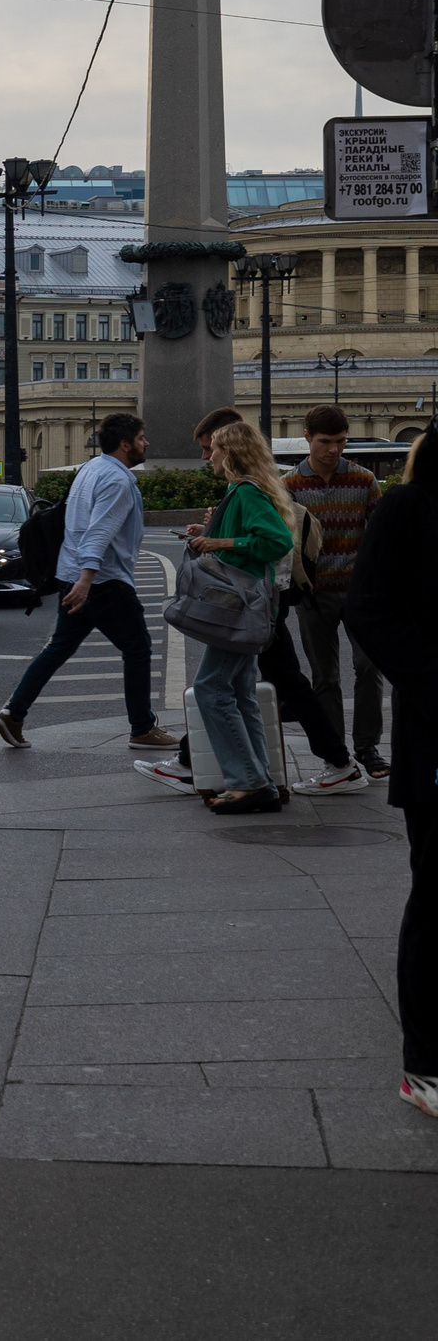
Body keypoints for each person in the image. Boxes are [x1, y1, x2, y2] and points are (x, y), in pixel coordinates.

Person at [338, 432, 438, 1116]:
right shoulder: (410, 508)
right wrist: (433, 681)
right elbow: (366, 608)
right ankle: (426, 1063)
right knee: (437, 899)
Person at [0, 412, 179, 753]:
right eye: (140, 438)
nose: (146, 443)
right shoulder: (118, 481)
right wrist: (87, 579)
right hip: (102, 581)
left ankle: (13, 713)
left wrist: (78, 578)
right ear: (125, 444)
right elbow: (99, 531)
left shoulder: (90, 469)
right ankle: (142, 727)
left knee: (59, 647)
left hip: (72, 574)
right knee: (137, 649)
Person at [178, 419, 296, 816]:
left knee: (211, 688)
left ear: (230, 453)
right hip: (243, 607)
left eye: (213, 448)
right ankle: (261, 779)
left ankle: (248, 782)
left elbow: (277, 540)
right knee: (242, 692)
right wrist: (210, 530)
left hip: (238, 609)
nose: (208, 454)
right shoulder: (242, 492)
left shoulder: (245, 492)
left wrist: (221, 541)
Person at [286, 405, 386, 788]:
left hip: (360, 593)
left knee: (369, 667)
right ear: (307, 437)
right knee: (324, 676)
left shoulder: (363, 480)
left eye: (340, 442)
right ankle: (336, 754)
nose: (333, 450)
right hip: (313, 593)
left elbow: (380, 538)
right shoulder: (289, 485)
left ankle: (367, 746)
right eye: (325, 442)